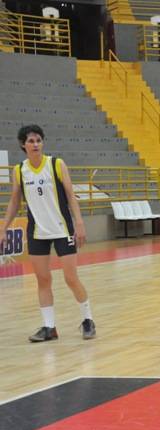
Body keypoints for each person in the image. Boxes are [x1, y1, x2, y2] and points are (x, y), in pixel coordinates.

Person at [0, 125, 96, 341]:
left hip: (62, 229)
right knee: (43, 279)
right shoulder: (19, 170)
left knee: (71, 278)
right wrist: (4, 227)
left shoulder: (56, 164)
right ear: (23, 145)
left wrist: (79, 222)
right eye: (31, 141)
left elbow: (71, 195)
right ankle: (49, 327)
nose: (35, 144)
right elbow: (14, 201)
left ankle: (88, 320)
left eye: (38, 140)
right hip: (37, 231)